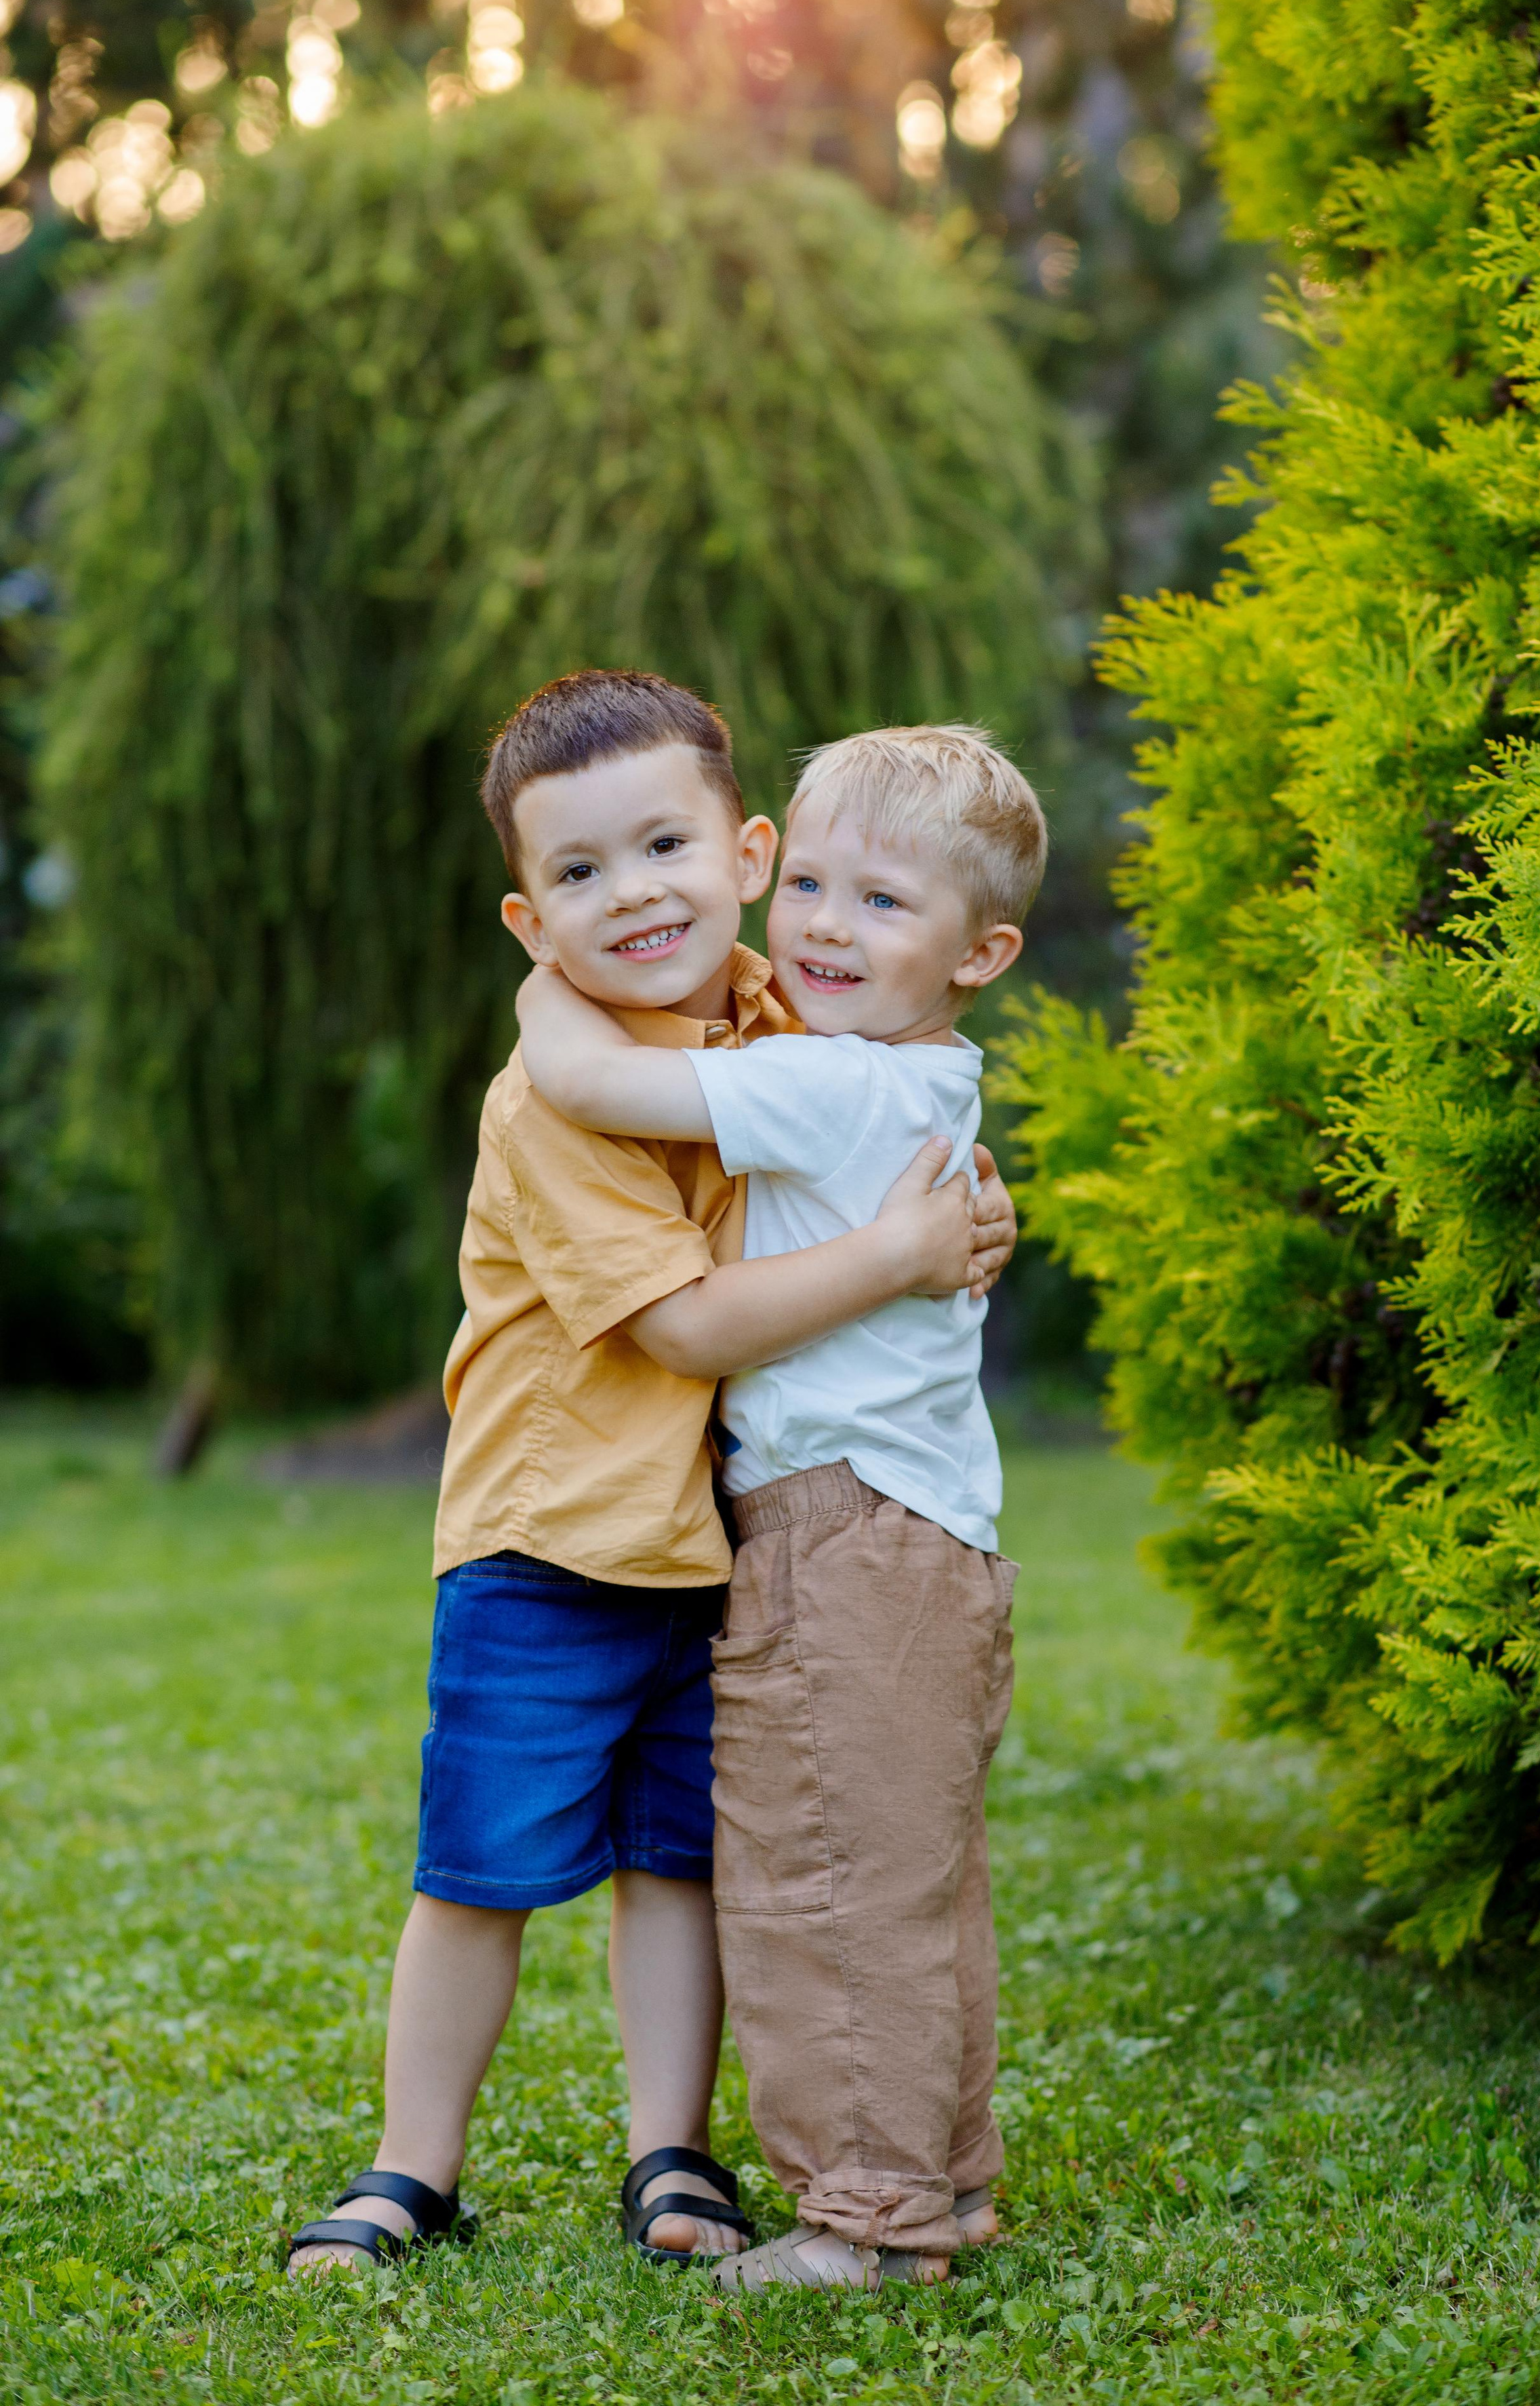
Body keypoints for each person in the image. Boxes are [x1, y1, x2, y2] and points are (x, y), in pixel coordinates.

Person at [286, 674, 1016, 2276]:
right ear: (527, 917)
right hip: (551, 1541)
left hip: (717, 1543)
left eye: (665, 846)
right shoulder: (550, 1105)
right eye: (580, 874)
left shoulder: (783, 1014)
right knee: (479, 1870)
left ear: (746, 852)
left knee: (677, 1864)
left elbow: (894, 1093)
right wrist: (902, 1253)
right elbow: (685, 1329)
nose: (634, 895)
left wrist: (962, 1207)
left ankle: (669, 2155)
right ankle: (414, 2165)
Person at [515, 722, 1044, 2291]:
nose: (820, 923)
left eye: (881, 903)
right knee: (913, 1880)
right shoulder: (930, 1083)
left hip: (840, 1533)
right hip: (933, 1534)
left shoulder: (825, 1084)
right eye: (806, 881)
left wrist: (551, 965)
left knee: (818, 1878)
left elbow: (589, 1079)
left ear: (981, 953)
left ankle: (863, 2226)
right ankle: (940, 2187)